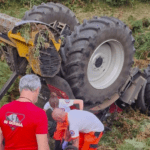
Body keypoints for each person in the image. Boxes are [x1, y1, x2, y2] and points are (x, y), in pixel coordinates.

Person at [0, 74, 50, 150]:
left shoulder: (4, 109)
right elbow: (43, 147)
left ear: (20, 89)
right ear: (37, 90)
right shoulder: (39, 114)